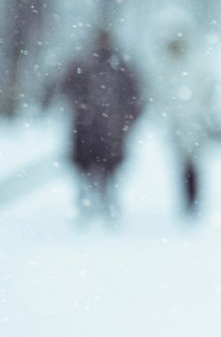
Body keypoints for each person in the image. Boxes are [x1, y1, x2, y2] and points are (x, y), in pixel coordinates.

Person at [41, 24, 144, 225]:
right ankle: (86, 200)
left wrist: (129, 118)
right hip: (85, 126)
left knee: (110, 170)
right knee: (84, 167)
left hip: (112, 129)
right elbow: (64, 86)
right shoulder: (82, 62)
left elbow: (135, 95)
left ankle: (107, 201)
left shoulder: (121, 64)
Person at [148, 22, 221, 219]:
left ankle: (193, 202)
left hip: (195, 123)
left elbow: (209, 90)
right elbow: (157, 95)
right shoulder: (164, 67)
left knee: (193, 163)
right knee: (181, 164)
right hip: (176, 125)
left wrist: (207, 115)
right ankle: (187, 202)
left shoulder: (196, 63)